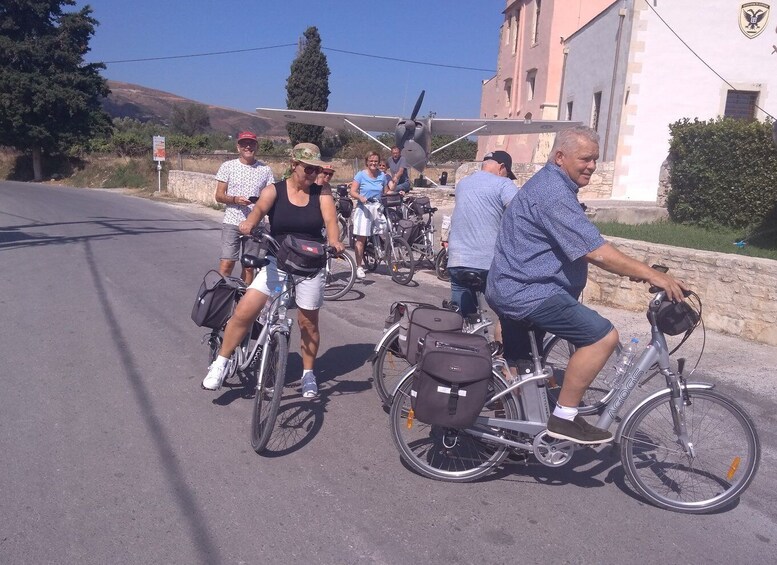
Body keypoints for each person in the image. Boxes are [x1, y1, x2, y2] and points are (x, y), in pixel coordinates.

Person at [486, 126, 687, 445]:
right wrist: (652, 274)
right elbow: (597, 251)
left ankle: (511, 434)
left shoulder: (555, 186)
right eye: (585, 158)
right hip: (530, 292)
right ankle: (564, 419)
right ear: (560, 157)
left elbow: (583, 246)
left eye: (595, 159)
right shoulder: (552, 192)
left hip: (514, 285)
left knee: (522, 369)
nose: (592, 165)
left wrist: (635, 270)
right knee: (601, 337)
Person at [202, 143, 345, 397]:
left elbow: (331, 221)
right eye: (308, 168)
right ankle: (220, 364)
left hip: (309, 267)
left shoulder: (321, 193)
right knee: (246, 310)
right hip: (277, 264)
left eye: (316, 169)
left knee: (308, 323)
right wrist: (249, 223)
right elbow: (258, 210)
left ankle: (308, 374)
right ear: (294, 165)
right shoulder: (274, 190)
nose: (313, 174)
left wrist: (334, 241)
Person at [447, 150, 517, 318]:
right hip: (487, 263)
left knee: (461, 318)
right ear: (501, 167)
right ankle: (505, 343)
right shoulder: (503, 184)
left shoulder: (462, 184)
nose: (507, 176)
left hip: (457, 261)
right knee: (508, 317)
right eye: (507, 173)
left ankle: (464, 339)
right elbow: (519, 213)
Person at [214, 131, 274, 285]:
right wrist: (235, 199)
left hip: (255, 224)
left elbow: (271, 197)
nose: (248, 146)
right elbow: (219, 196)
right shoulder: (227, 166)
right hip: (232, 221)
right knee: (227, 263)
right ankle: (219, 295)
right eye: (244, 144)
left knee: (249, 267)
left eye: (251, 143)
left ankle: (243, 299)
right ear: (238, 147)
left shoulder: (265, 170)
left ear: (256, 146)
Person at [349, 151, 392, 280]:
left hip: (377, 208)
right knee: (361, 238)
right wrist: (360, 197)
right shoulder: (361, 175)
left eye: (376, 161)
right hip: (364, 209)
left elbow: (385, 191)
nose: (374, 163)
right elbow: (352, 191)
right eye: (371, 161)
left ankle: (380, 252)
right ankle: (359, 266)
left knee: (385, 232)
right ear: (367, 162)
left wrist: (397, 192)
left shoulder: (382, 176)